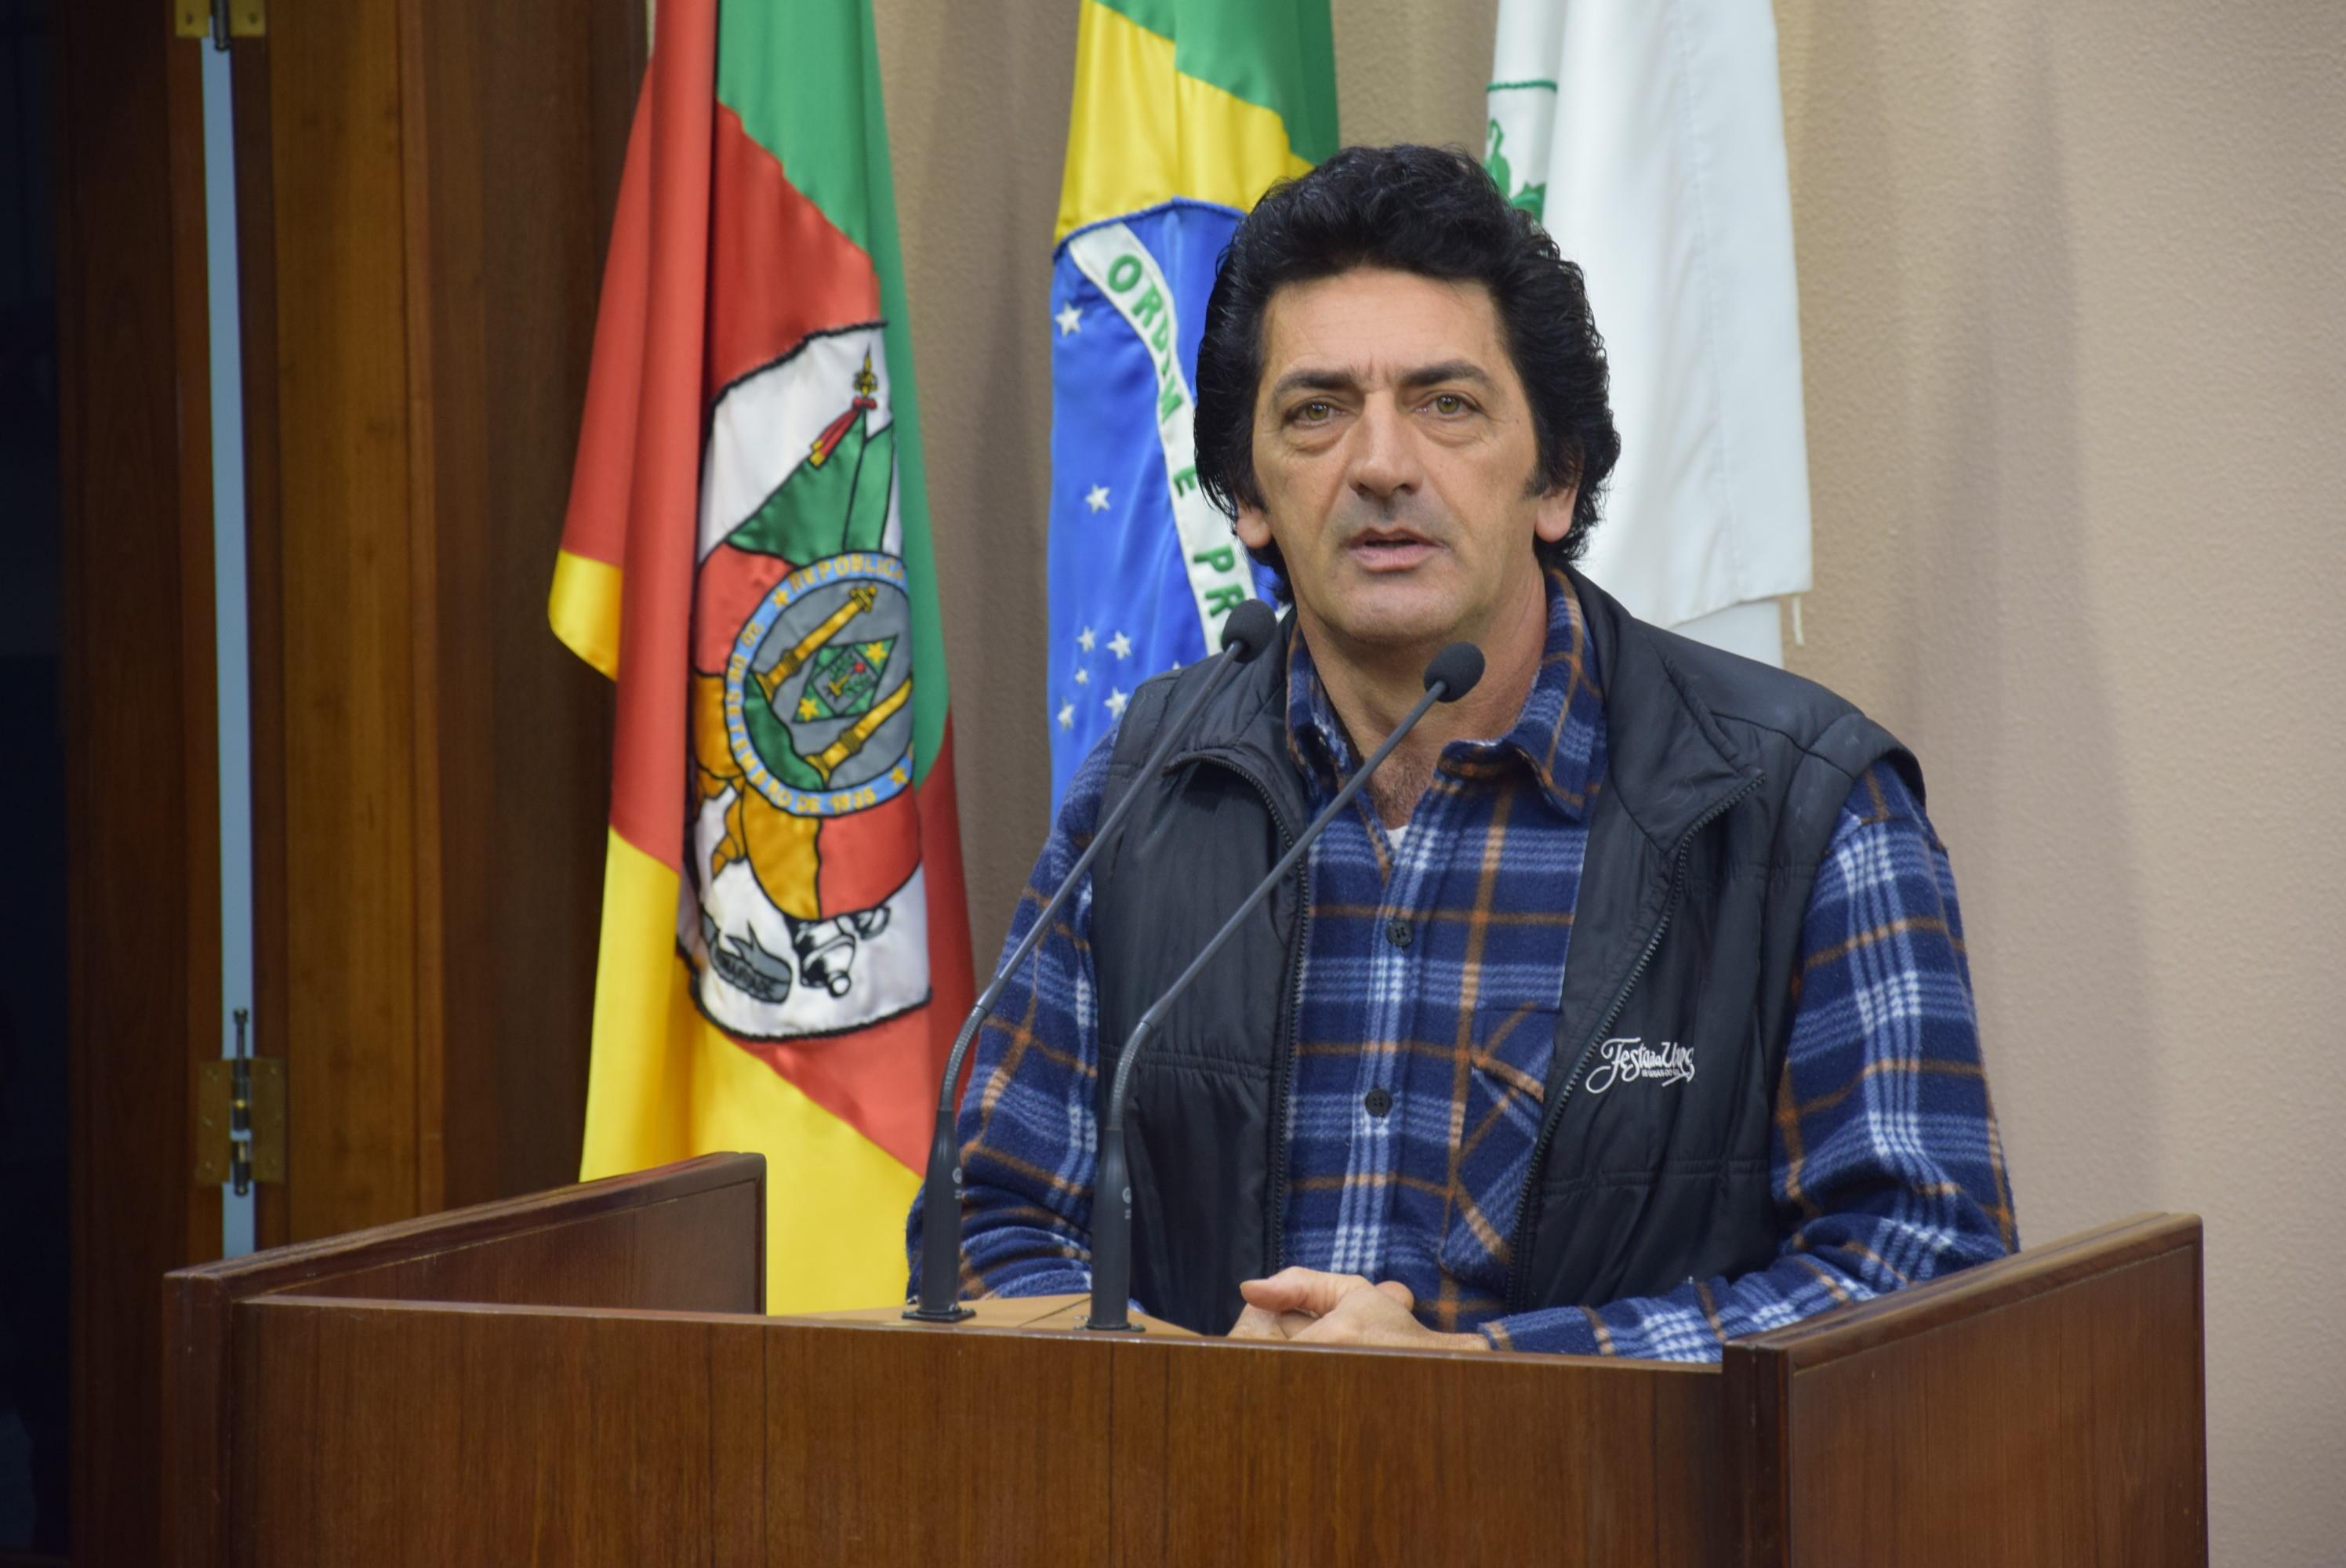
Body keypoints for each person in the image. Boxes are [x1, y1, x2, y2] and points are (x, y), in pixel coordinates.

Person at [907, 143, 2014, 1356]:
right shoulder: (1147, 788)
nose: (1382, 466)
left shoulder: (1803, 806)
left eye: (1447, 404)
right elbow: (988, 1222)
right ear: (1250, 499)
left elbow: (1924, 1269)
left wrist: (1482, 1382)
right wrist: (1205, 1397)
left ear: (1556, 480)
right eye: (1318, 411)